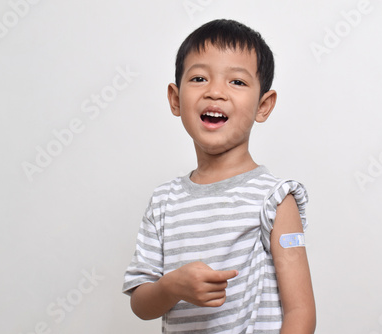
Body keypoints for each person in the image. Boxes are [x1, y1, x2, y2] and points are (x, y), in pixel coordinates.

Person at [123, 19, 316, 333]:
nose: (215, 92)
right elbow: (141, 304)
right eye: (199, 78)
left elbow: (301, 311)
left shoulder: (276, 199)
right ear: (175, 99)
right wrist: (170, 287)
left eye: (237, 82)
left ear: (263, 106)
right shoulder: (163, 202)